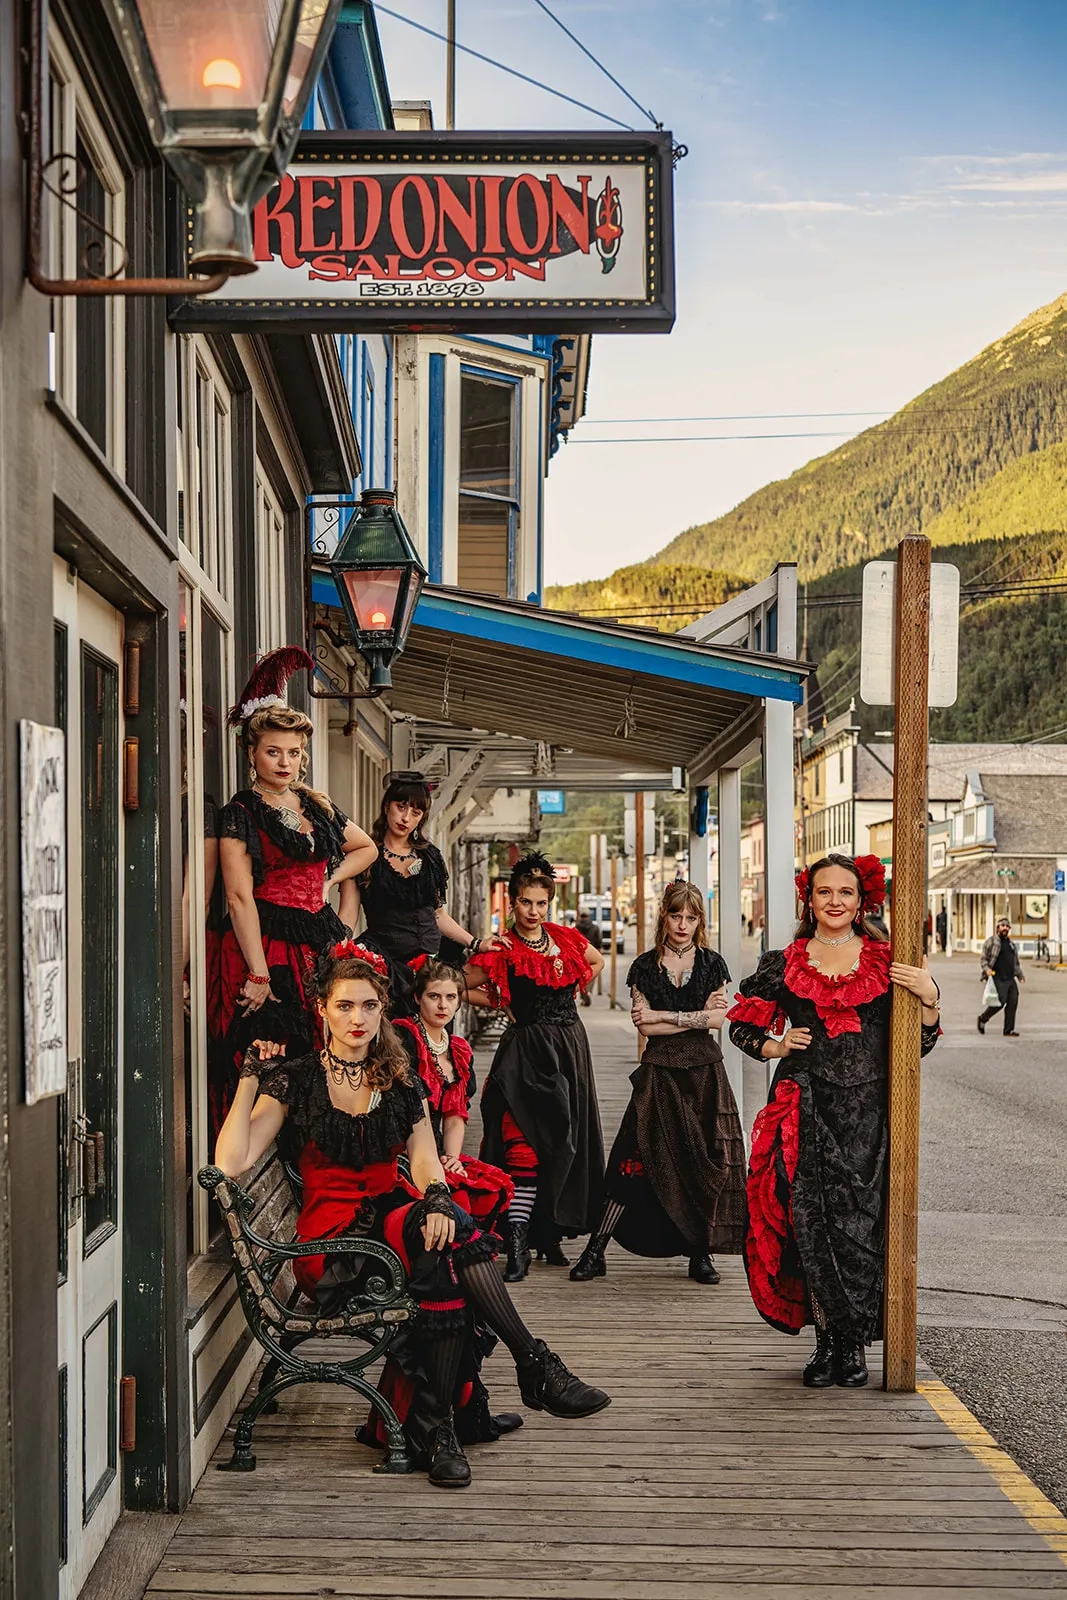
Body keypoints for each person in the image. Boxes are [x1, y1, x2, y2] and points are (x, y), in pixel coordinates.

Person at [213, 944, 610, 1490]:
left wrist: (439, 1198)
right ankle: (526, 1369)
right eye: (346, 1006)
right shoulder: (298, 1078)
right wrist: (249, 1080)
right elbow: (231, 1161)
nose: (359, 1019)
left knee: (446, 1242)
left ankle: (439, 1423)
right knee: (446, 1247)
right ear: (323, 1010)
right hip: (333, 1245)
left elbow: (424, 1158)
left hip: (390, 1220)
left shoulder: (399, 1075)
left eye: (370, 1007)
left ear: (383, 1010)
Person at [728, 853, 941, 1389]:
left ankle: (854, 1347)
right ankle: (826, 1344)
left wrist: (931, 1000)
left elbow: (916, 1044)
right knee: (810, 1226)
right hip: (805, 1110)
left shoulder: (888, 960)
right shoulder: (785, 961)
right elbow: (741, 1028)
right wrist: (775, 1045)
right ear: (810, 898)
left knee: (862, 1229)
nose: (835, 901)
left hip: (870, 1117)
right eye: (825, 892)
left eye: (845, 892)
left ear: (861, 898)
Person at [215, 649, 378, 1092]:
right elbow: (238, 897)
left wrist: (328, 879)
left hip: (317, 939)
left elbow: (365, 848)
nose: (285, 762)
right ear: (252, 753)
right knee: (271, 1057)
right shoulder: (241, 811)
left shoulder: (315, 804)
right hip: (266, 945)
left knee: (329, 1046)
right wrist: (259, 973)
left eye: (294, 752)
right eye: (273, 752)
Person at [569, 882, 747, 1285]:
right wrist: (690, 1016)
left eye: (691, 917)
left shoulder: (712, 964)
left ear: (700, 920)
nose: (683, 924)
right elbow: (642, 1023)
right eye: (676, 915)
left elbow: (717, 1021)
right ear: (663, 916)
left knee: (704, 1160)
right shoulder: (645, 967)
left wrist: (668, 1017)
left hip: (703, 1075)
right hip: (658, 1074)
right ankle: (596, 1250)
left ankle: (700, 1254)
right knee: (632, 1160)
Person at [467, 853, 606, 1282]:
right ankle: (518, 1242)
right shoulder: (504, 947)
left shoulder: (564, 938)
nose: (534, 911)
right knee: (524, 1144)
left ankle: (549, 1232)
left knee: (564, 1143)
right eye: (526, 903)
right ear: (513, 903)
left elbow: (596, 962)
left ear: (550, 903)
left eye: (541, 903)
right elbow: (459, 985)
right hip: (527, 1052)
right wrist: (503, 1001)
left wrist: (574, 994)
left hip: (570, 1049)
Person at [353, 771, 503, 1014]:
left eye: (415, 812)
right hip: (385, 963)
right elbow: (349, 914)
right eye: (401, 807)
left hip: (430, 965)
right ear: (386, 805)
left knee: (433, 1034)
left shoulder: (429, 856)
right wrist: (336, 948)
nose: (406, 818)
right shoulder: (366, 854)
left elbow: (438, 915)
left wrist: (476, 943)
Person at [393, 961, 514, 1233]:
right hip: (403, 1152)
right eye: (433, 996)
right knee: (459, 1204)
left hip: (436, 1151)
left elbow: (455, 1114)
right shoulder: (403, 1037)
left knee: (486, 1193)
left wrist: (452, 1158)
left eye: (450, 997)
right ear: (417, 997)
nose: (442, 1006)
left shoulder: (458, 1049)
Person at [978, 917, 1024, 1037]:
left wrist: (1020, 975)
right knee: (999, 1002)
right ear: (998, 928)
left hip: (1010, 978)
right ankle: (983, 1018)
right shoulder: (992, 941)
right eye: (1002, 926)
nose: (1005, 928)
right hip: (997, 977)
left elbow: (1015, 962)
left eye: (1007, 926)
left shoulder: (1011, 944)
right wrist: (987, 970)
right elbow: (983, 959)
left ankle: (1008, 1030)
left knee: (1013, 1002)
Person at [575, 908, 602, 1006]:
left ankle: (583, 995)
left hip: (579, 954)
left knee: (580, 975)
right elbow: (598, 941)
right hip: (592, 954)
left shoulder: (577, 927)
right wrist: (599, 950)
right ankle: (589, 991)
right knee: (591, 973)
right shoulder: (595, 928)